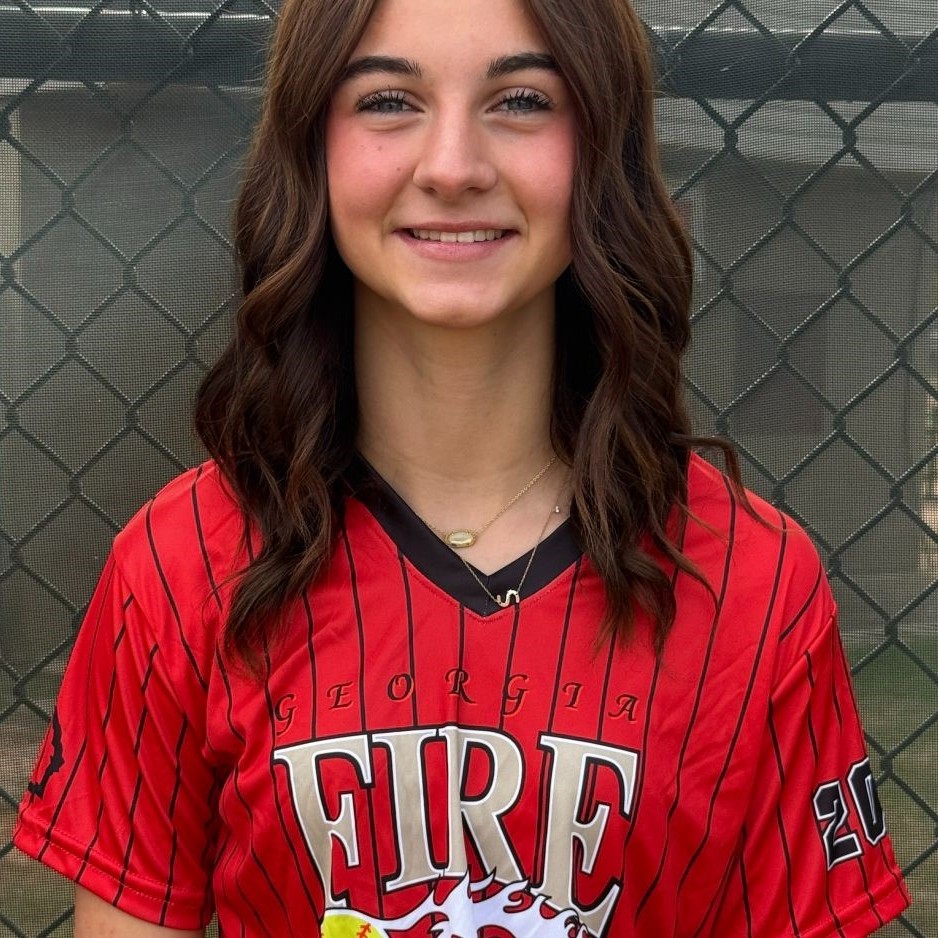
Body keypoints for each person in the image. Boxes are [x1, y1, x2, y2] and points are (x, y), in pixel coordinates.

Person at [14, 0, 910, 935]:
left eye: (521, 100)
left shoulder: (757, 585)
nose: (452, 167)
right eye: (387, 100)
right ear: (312, 148)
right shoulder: (178, 565)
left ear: (600, 149)